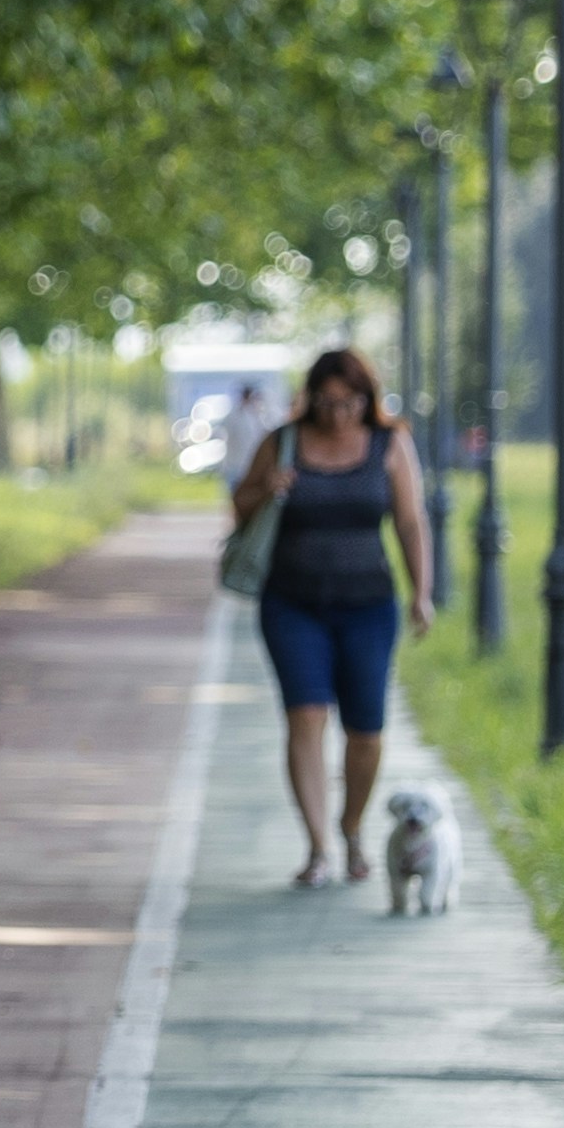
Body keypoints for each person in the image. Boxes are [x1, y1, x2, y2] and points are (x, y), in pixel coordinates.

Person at [227, 343, 436, 886]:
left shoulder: (391, 443)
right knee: (306, 717)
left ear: (367, 397)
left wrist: (422, 592)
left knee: (366, 731)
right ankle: (318, 848)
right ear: (311, 396)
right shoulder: (285, 441)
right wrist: (265, 488)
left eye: (349, 402)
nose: (337, 413)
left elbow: (410, 522)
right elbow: (241, 503)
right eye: (326, 401)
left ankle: (351, 828)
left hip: (368, 606)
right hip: (292, 604)